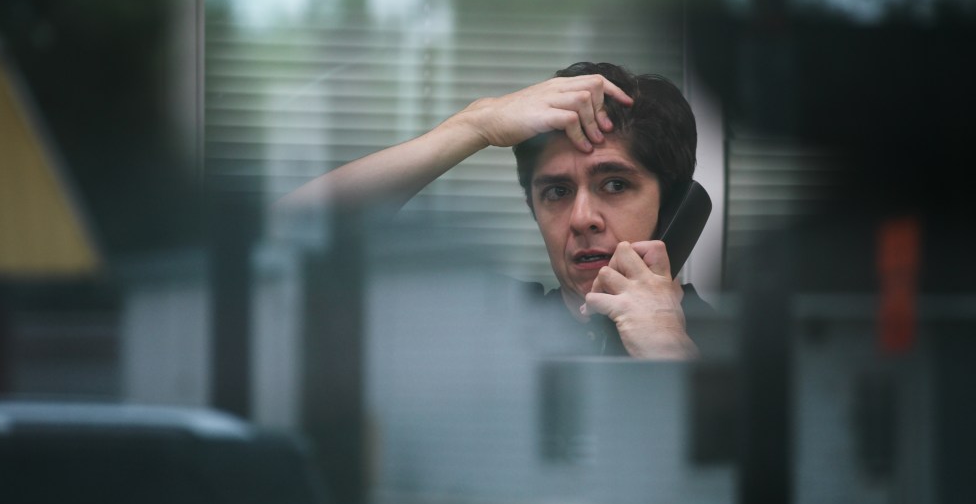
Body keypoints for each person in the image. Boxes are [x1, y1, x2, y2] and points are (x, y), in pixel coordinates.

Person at [276, 61, 712, 359]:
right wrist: (474, 124)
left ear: (673, 206)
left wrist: (667, 348)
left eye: (615, 185)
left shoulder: (731, 341)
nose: (582, 218)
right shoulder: (491, 322)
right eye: (557, 192)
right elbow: (282, 235)